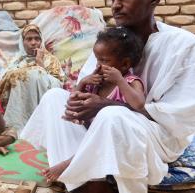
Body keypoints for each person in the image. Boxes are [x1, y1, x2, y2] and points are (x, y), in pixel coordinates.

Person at [20, 0, 195, 192]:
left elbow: (180, 119)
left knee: (113, 115)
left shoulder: (183, 44)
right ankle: (80, 181)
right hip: (102, 124)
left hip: (156, 137)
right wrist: (79, 102)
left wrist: (106, 105)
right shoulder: (110, 40)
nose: (116, 4)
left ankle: (80, 172)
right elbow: (90, 86)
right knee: (54, 97)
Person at [43, 27, 146, 182]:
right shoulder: (97, 81)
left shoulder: (131, 82)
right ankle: (72, 161)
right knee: (57, 102)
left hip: (113, 140)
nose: (98, 65)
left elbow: (139, 104)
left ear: (124, 64)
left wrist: (119, 80)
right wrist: (83, 82)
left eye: (104, 60)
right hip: (88, 133)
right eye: (97, 59)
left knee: (101, 133)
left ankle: (69, 163)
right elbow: (73, 99)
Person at [0, 24, 65, 134]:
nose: (33, 42)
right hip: (19, 109)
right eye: (29, 39)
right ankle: (17, 128)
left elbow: (58, 86)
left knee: (37, 72)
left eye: (37, 39)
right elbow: (1, 85)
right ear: (22, 42)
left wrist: (40, 64)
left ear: (41, 41)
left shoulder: (51, 60)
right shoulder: (13, 61)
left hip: (42, 104)